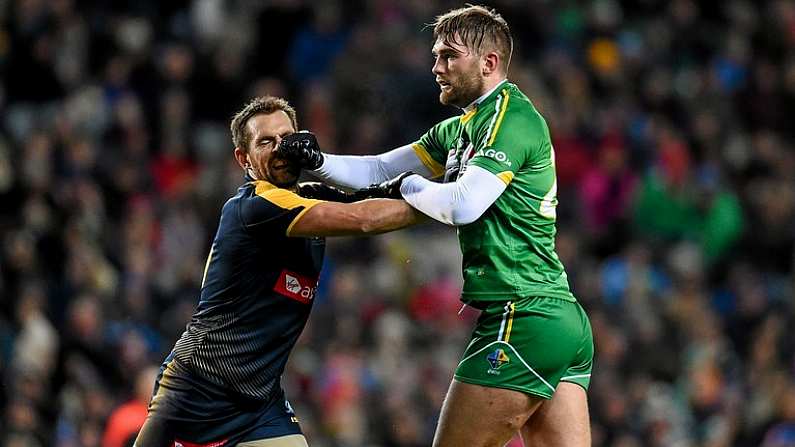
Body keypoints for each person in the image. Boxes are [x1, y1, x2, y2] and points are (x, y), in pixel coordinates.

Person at [279, 5, 593, 447]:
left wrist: (407, 186)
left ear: (488, 63)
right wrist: (316, 164)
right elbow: (377, 168)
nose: (436, 67)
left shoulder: (512, 120)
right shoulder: (465, 127)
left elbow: (463, 206)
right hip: (560, 321)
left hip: (522, 316)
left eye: (449, 56)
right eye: (435, 56)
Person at [134, 96, 422, 447]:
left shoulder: (311, 195)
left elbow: (382, 192)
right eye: (265, 142)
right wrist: (454, 205)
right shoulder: (256, 206)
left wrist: (450, 176)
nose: (279, 148)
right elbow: (364, 219)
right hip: (198, 390)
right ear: (244, 158)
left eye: (286, 138)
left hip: (258, 399)